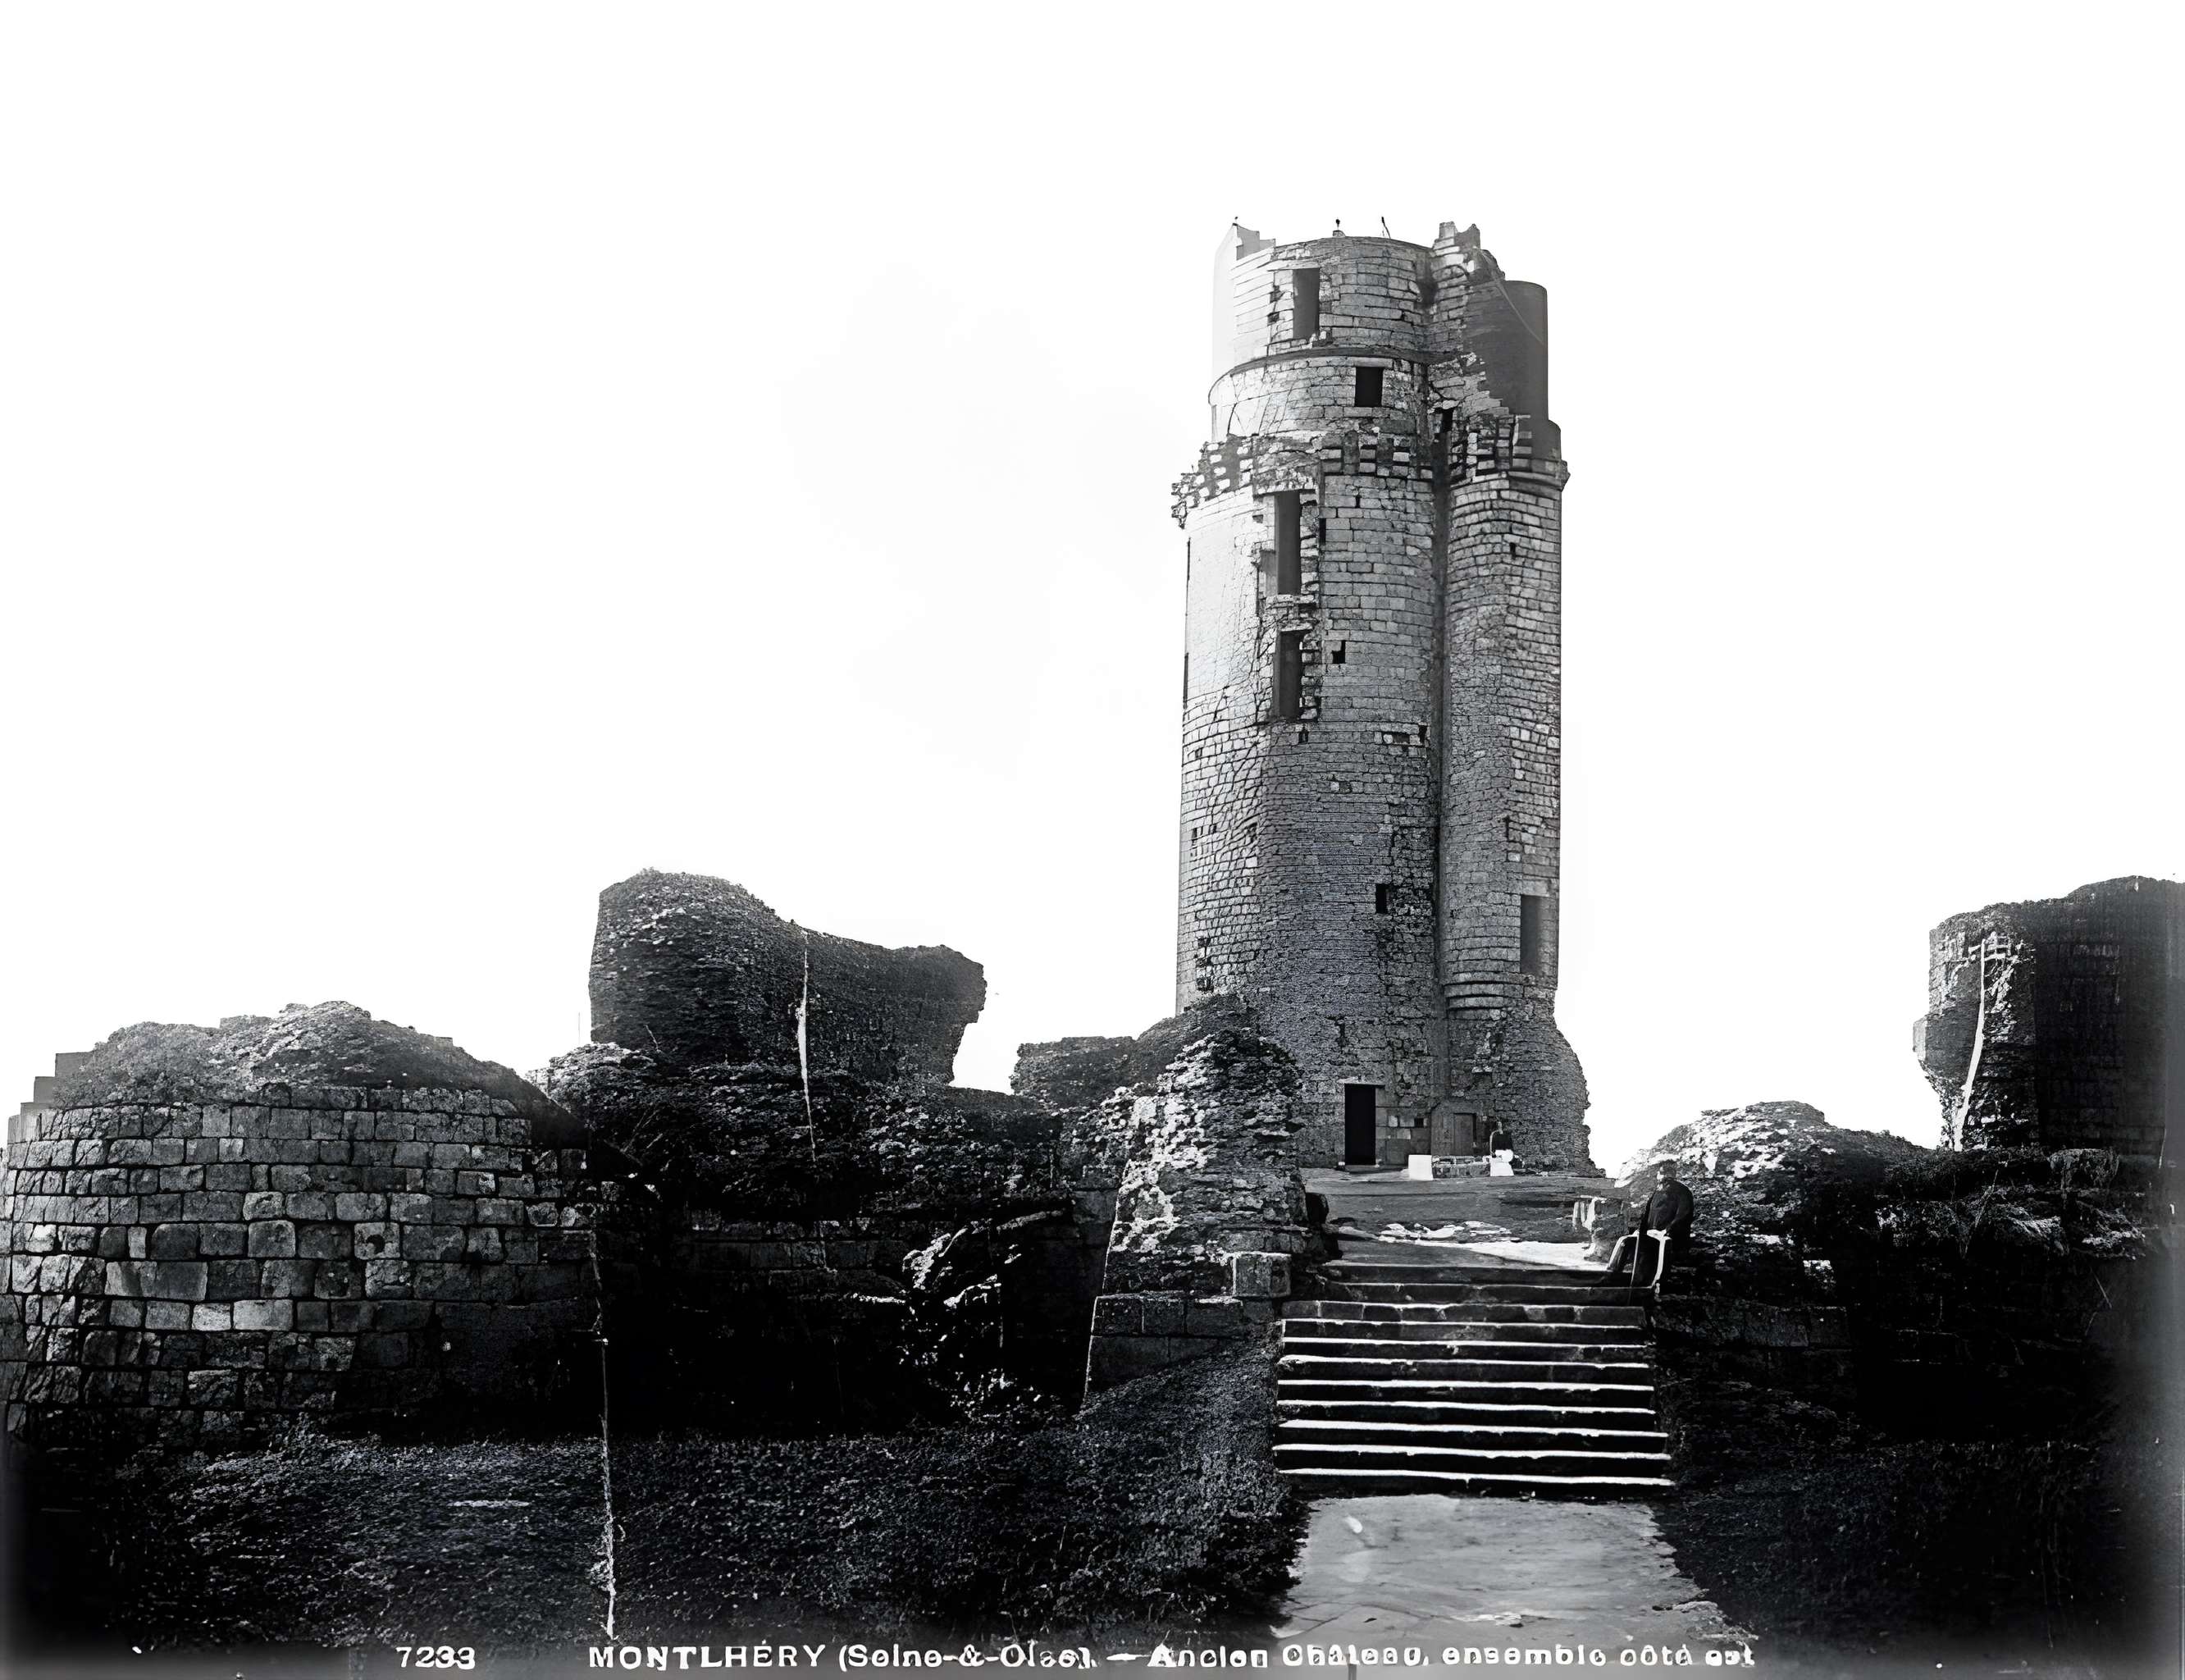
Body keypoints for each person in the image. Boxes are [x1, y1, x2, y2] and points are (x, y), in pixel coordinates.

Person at [1600, 1164, 1695, 1286]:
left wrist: (1666, 1231)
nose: (1658, 1177)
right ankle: (1611, 1276)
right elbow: (1647, 1216)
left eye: (1661, 1174)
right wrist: (1641, 1231)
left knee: (1650, 1250)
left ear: (1666, 1175)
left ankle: (1649, 1283)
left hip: (1670, 1236)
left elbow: (1684, 1215)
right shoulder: (1658, 1192)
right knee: (1625, 1241)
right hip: (1652, 1234)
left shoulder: (1682, 1191)